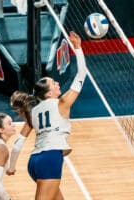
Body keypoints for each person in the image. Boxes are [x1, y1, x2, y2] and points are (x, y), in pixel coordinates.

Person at [6, 31, 87, 200]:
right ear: (48, 93)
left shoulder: (33, 111)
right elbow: (81, 75)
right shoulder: (62, 103)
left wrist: (11, 167)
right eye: (54, 83)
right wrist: (78, 48)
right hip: (50, 159)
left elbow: (18, 144)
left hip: (34, 162)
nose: (58, 84)